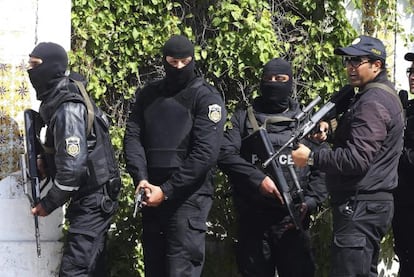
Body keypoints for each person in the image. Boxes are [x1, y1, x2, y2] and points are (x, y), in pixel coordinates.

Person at [292, 35, 404, 276]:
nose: (350, 67)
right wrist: (329, 130)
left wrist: (311, 157)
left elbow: (357, 159)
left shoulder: (372, 102)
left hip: (360, 206)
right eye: (347, 61)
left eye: (357, 61)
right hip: (368, 205)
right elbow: (364, 139)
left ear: (377, 65)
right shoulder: (374, 95)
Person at [123, 34, 226, 277]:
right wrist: (141, 178)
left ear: (192, 60)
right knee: (155, 269)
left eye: (184, 61)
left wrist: (167, 190)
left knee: (181, 271)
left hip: (188, 199)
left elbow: (205, 154)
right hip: (151, 193)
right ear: (164, 61)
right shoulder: (149, 95)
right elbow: (133, 137)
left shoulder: (206, 98)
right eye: (172, 61)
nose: (179, 67)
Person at [218, 57, 329, 277]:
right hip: (254, 221)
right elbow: (224, 153)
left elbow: (321, 167)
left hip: (294, 221)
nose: (273, 83)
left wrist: (311, 202)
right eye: (268, 78)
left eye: (280, 79)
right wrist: (257, 180)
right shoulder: (245, 117)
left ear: (290, 82)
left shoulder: (305, 122)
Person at [28, 42, 121, 276]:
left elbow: (72, 170)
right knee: (91, 268)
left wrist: (47, 204)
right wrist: (46, 163)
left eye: (35, 65)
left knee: (75, 270)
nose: (30, 71)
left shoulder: (67, 107)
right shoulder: (60, 97)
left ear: (52, 67)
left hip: (94, 198)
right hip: (91, 195)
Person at [392, 52, 414, 277]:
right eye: (411, 71)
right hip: (403, 203)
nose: (413, 76)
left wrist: (397, 153)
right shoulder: (407, 108)